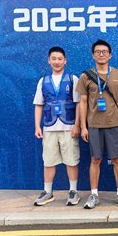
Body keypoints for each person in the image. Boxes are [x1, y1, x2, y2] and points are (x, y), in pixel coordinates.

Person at [76, 39, 118, 209]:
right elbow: (82, 102)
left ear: (110, 55)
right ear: (93, 55)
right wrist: (83, 126)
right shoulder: (85, 76)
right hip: (94, 124)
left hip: (115, 123)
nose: (101, 54)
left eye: (105, 52)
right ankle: (94, 194)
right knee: (95, 159)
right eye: (98, 52)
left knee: (117, 159)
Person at [33, 46, 80, 206]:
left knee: (71, 161)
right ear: (49, 61)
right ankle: (48, 192)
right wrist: (37, 126)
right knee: (48, 161)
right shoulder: (43, 81)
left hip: (69, 127)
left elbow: (79, 104)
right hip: (49, 127)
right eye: (54, 59)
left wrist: (77, 125)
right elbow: (39, 105)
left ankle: (73, 191)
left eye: (60, 59)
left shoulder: (73, 79)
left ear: (65, 60)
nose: (57, 62)